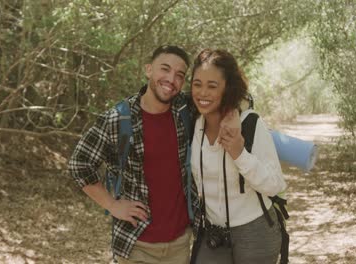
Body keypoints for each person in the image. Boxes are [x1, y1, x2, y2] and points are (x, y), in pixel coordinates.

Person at [68, 45, 201, 264]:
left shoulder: (185, 111)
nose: (171, 79)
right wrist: (112, 205)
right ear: (148, 70)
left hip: (180, 245)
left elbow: (222, 96)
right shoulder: (118, 119)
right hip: (136, 245)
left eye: (180, 75)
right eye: (164, 69)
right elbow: (79, 164)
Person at [189, 48, 287, 264]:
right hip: (213, 231)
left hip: (256, 231)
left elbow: (275, 185)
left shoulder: (250, 123)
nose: (202, 93)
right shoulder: (191, 123)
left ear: (227, 88)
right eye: (197, 84)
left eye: (212, 86)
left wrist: (239, 152)